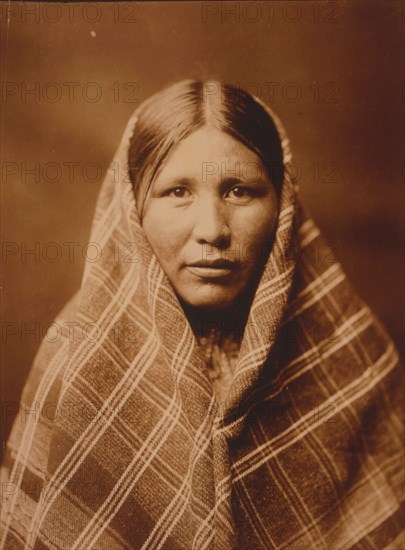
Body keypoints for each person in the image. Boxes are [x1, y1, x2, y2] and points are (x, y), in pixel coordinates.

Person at [1, 80, 403, 549]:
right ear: (133, 209)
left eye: (239, 191)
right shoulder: (75, 361)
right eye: (176, 192)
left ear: (283, 206)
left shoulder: (349, 359)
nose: (212, 229)